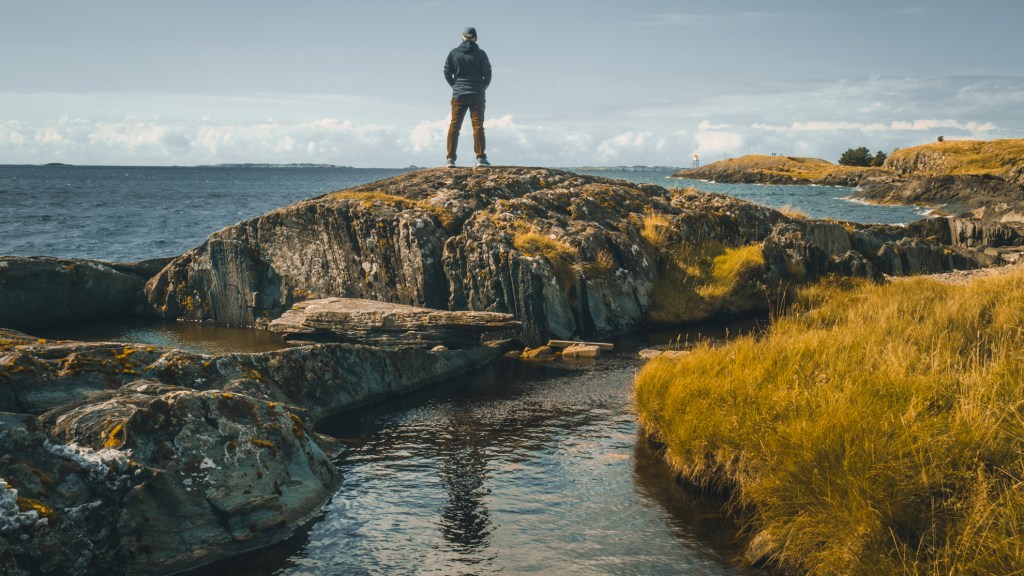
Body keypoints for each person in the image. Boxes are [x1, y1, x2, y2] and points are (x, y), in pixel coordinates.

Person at [444, 26, 491, 168]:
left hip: (459, 94)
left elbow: (446, 71)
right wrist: (483, 87)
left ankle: (450, 159)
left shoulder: (453, 53)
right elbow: (488, 73)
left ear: (462, 38)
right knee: (478, 126)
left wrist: (454, 85)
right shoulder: (481, 54)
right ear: (475, 38)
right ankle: (480, 158)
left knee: (454, 126)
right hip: (477, 94)